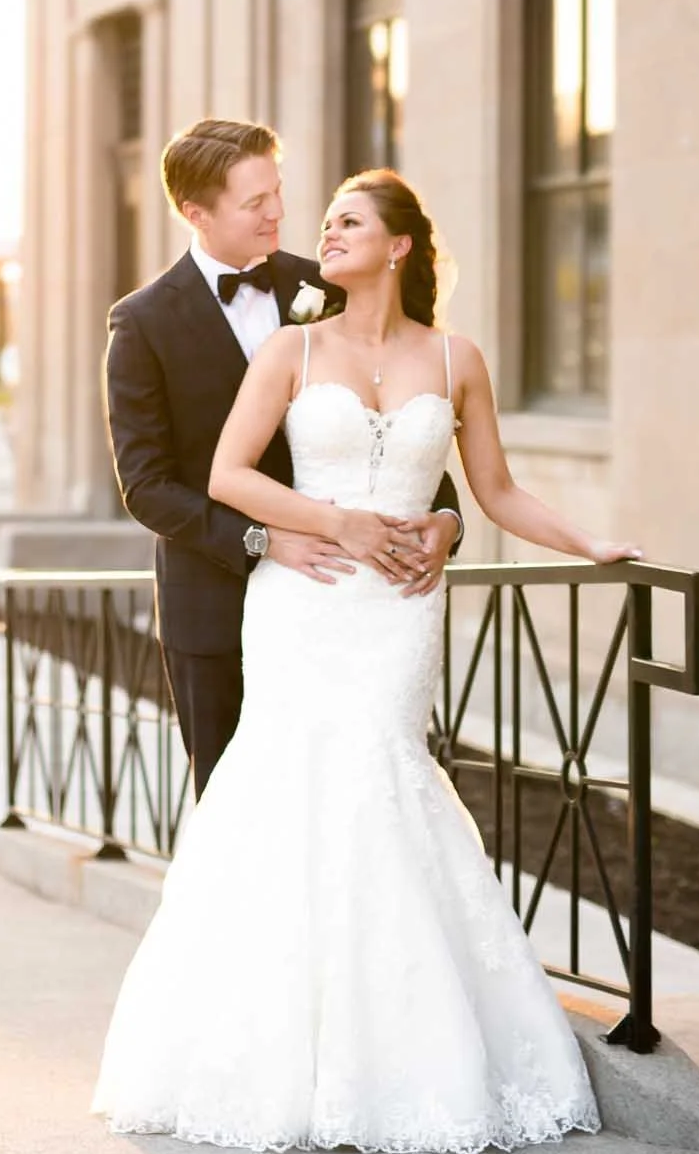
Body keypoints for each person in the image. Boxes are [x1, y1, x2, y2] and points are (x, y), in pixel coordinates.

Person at [93, 167, 641, 1154]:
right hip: (301, 598)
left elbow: (496, 492)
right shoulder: (288, 347)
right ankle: (270, 1050)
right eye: (316, 217)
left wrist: (587, 543)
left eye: (345, 219)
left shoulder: (455, 355)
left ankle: (406, 1053)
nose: (314, 229)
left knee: (386, 786)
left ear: (396, 245)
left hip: (396, 616)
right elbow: (222, 475)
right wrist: (327, 521)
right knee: (291, 793)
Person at [102, 119, 463, 798]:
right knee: (235, 816)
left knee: (345, 800)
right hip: (211, 604)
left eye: (276, 191)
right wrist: (263, 540)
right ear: (196, 213)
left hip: (338, 606)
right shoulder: (142, 322)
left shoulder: (324, 284)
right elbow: (146, 486)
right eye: (254, 202)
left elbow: (387, 433)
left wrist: (446, 515)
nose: (278, 213)